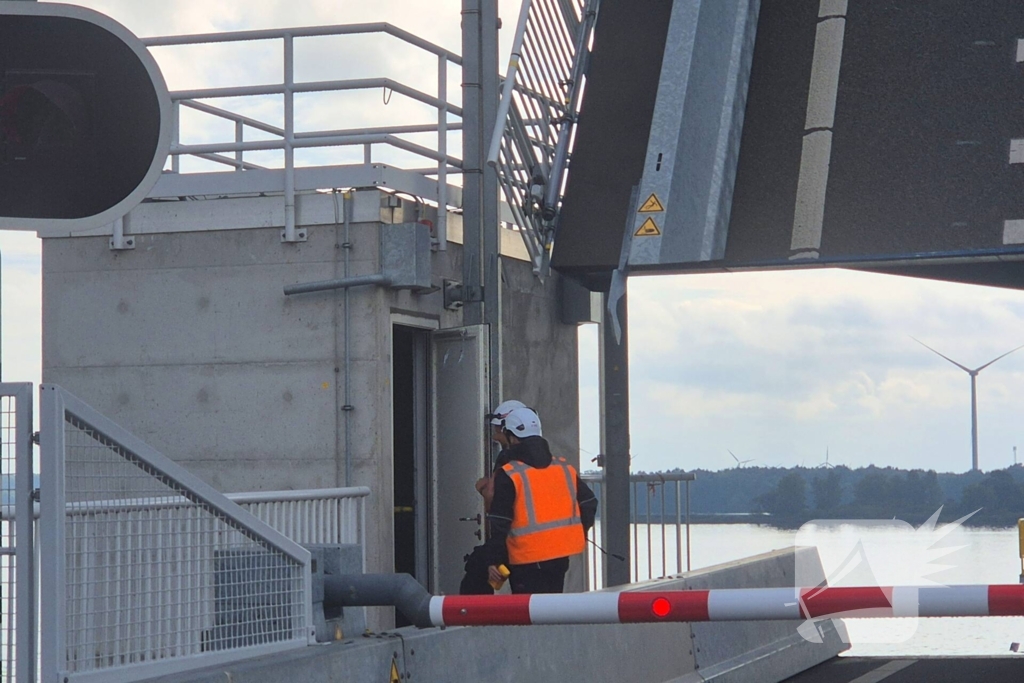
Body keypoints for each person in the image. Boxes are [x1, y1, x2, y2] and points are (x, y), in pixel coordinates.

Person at [480, 406, 597, 594]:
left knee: (528, 614)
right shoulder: (563, 467)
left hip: (525, 559)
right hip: (559, 556)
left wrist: (494, 560)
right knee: (552, 612)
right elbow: (589, 503)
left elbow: (500, 521)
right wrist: (576, 533)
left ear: (511, 436)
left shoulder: (510, 473)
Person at [458, 399, 534, 595]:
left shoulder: (509, 458)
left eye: (498, 429)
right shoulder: (540, 459)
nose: (495, 435)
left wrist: (484, 488)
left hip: (516, 540)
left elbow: (497, 504)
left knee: (478, 573)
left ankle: (474, 620)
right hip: (530, 544)